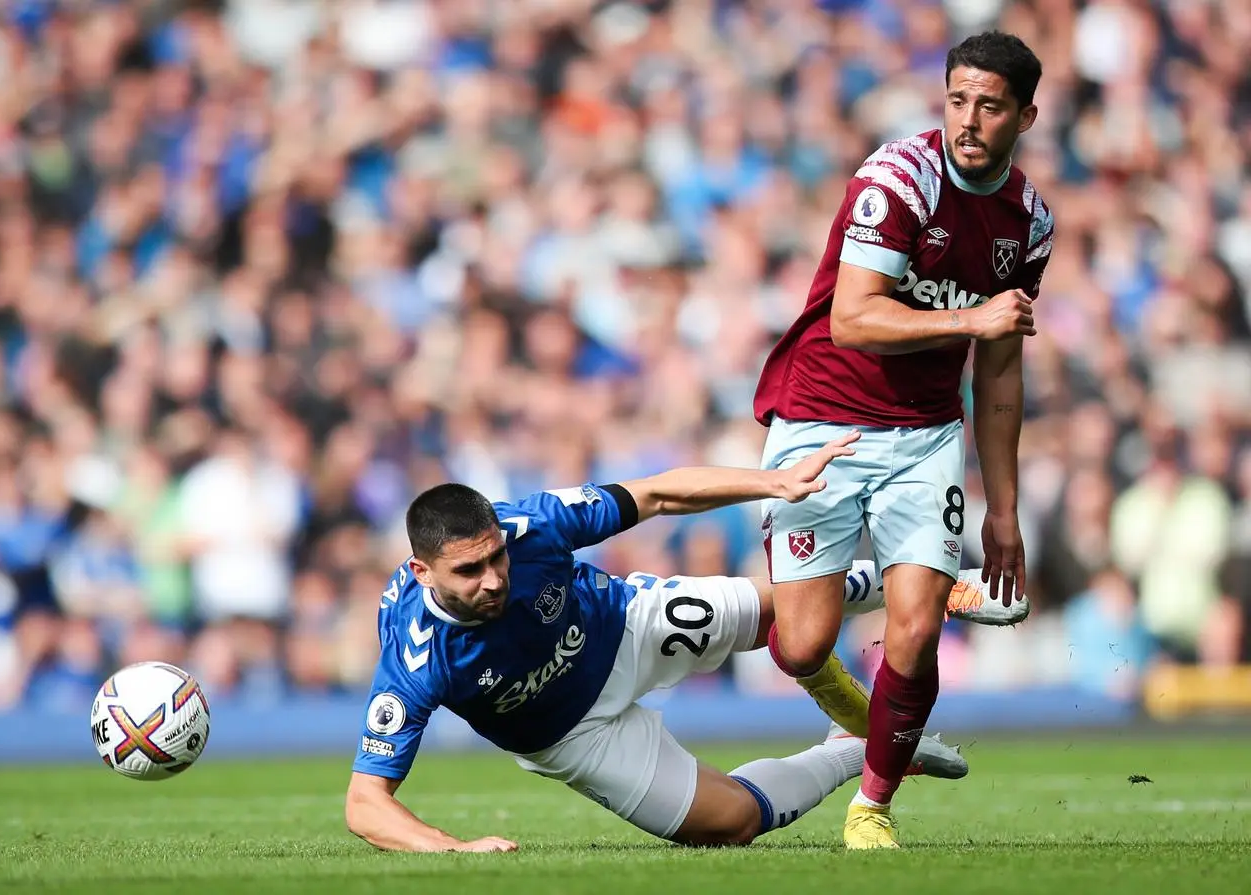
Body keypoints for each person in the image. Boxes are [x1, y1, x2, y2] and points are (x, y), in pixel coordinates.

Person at [345, 434, 1027, 852]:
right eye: (471, 570)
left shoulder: (534, 525)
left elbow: (659, 495)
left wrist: (771, 483)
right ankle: (852, 751)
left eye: (495, 555)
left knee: (789, 612)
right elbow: (365, 803)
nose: (495, 577)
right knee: (730, 824)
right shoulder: (414, 653)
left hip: (627, 625)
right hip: (572, 736)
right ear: (421, 571)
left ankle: (946, 585)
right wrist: (454, 849)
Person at [752, 31, 1053, 849]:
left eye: (990, 105)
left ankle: (872, 803)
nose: (969, 119)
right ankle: (883, 695)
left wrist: (1005, 511)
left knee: (914, 633)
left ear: (1025, 115)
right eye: (957, 99)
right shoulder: (897, 180)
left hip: (924, 435)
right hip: (821, 420)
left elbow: (997, 378)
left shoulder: (1027, 223)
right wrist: (973, 315)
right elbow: (853, 319)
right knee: (800, 644)